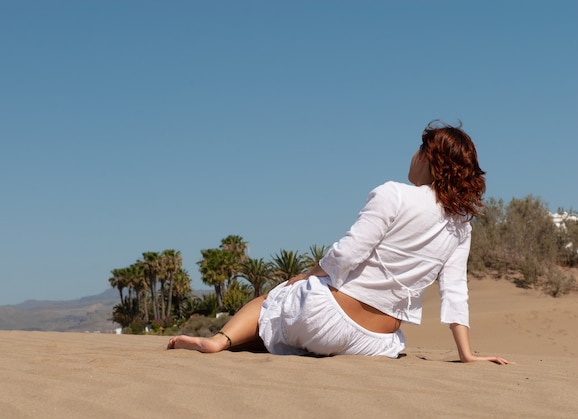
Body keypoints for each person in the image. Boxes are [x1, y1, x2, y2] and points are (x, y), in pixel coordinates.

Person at [168, 121, 513, 364]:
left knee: (274, 299)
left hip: (325, 316)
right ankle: (268, 341)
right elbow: (454, 291)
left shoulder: (394, 194)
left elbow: (350, 251)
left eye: (418, 149)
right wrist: (466, 354)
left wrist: (308, 274)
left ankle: (219, 340)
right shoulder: (460, 227)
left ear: (429, 158)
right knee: (289, 323)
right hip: (374, 342)